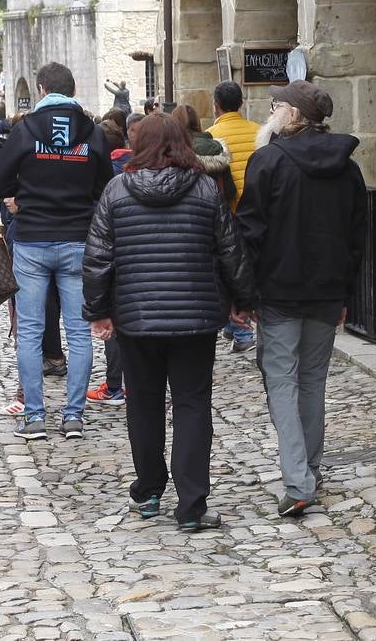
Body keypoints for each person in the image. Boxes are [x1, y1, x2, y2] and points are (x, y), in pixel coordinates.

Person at [83, 113, 255, 531]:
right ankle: (192, 504)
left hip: (137, 319)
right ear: (183, 143)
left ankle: (149, 490)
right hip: (194, 317)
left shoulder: (116, 191)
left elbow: (98, 257)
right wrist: (244, 300)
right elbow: (231, 251)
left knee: (143, 404)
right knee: (192, 405)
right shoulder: (205, 191)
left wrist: (99, 311)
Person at [236, 81, 367, 517]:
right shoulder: (348, 169)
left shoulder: (268, 161)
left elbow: (250, 232)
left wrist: (244, 291)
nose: (271, 111)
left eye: (277, 106)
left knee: (282, 382)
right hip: (327, 290)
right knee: (311, 382)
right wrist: (346, 290)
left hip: (279, 291)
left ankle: (298, 481)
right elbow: (357, 238)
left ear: (293, 115)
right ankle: (308, 467)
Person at [0, 62, 112, 441]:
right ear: (72, 90)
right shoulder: (92, 131)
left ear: (42, 89)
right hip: (78, 238)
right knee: (79, 332)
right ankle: (74, 415)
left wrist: (18, 197)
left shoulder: (25, 129)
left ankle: (35, 415)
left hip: (32, 239)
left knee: (30, 331)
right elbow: (105, 185)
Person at [207, 81, 263, 353]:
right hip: (255, 211)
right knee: (247, 270)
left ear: (216, 105)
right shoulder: (259, 132)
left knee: (231, 271)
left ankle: (241, 331)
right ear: (241, 104)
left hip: (227, 213)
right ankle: (237, 326)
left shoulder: (211, 137)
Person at [87, 120, 130, 406]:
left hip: (116, 258)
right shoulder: (135, 168)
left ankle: (115, 385)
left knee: (114, 325)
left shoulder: (107, 178)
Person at [173, 105, 234, 204]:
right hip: (213, 211)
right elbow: (230, 191)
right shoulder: (218, 149)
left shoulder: (174, 151)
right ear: (198, 122)